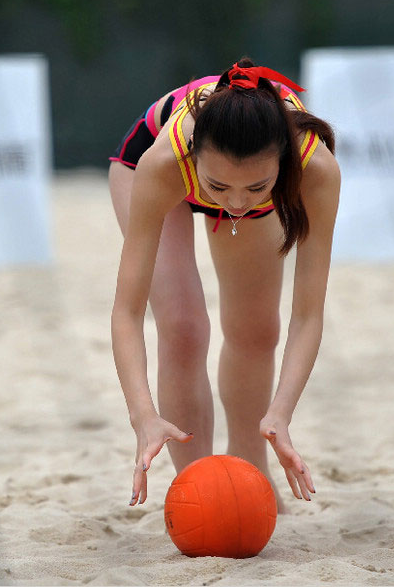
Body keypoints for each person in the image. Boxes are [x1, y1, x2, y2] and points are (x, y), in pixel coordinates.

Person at [108, 58, 340, 509]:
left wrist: (281, 412)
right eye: (221, 187)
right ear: (195, 156)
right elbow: (127, 311)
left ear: (285, 163)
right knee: (183, 326)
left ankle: (250, 470)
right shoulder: (166, 160)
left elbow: (308, 314)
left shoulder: (316, 168)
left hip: (242, 176)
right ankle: (197, 488)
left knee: (257, 330)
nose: (235, 204)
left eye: (255, 188)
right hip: (147, 172)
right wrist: (143, 417)